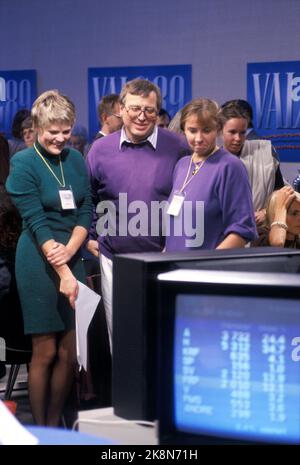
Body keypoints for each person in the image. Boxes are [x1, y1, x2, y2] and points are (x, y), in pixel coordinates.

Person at [6, 90, 92, 426]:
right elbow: (35, 219)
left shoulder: (76, 160)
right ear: (38, 128)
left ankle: (56, 425)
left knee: (69, 354)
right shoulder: (23, 162)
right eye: (52, 131)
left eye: (65, 130)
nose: (59, 138)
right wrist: (62, 268)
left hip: (72, 253)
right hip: (38, 261)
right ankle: (40, 429)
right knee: (45, 351)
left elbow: (85, 208)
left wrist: (71, 250)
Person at [86, 78, 189, 348]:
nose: (142, 117)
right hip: (114, 259)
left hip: (164, 258)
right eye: (135, 109)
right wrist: (91, 236)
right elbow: (89, 198)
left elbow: (190, 198)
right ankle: (126, 392)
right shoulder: (99, 150)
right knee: (120, 339)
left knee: (164, 338)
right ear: (121, 108)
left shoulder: (178, 147)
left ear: (158, 112)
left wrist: (177, 243)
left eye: (149, 110)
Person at [165, 98, 257, 252]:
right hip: (173, 268)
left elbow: (242, 230)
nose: (199, 138)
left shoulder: (230, 167)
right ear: (184, 130)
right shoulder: (182, 165)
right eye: (192, 130)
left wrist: (208, 266)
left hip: (205, 272)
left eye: (207, 130)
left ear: (218, 130)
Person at [219, 101, 285, 227]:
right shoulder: (212, 161)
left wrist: (267, 212)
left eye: (242, 133)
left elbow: (280, 191)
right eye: (232, 132)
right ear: (221, 131)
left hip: (260, 233)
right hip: (224, 232)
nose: (238, 138)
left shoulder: (265, 152)